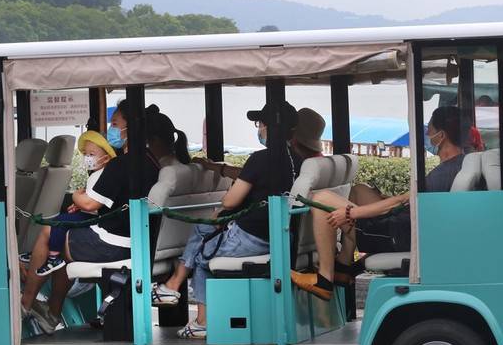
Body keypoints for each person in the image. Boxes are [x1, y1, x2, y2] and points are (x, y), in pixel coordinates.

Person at [19, 103, 190, 331]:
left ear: (132, 128)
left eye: (115, 123)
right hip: (137, 243)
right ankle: (51, 311)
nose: (110, 128)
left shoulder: (123, 165)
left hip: (112, 244)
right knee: (62, 242)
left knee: (49, 233)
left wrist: (77, 197)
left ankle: (26, 305)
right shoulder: (149, 162)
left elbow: (90, 202)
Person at [152, 107, 325, 314]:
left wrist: (220, 209)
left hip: (252, 238)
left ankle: (185, 301)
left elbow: (231, 201)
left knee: (202, 248)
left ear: (270, 128)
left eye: (260, 125)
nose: (259, 129)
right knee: (205, 237)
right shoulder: (298, 161)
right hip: (282, 238)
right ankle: (181, 296)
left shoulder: (262, 158)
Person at [291, 105, 467, 301]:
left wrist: (352, 214)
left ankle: (324, 279)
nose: (427, 134)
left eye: (430, 130)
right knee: (359, 191)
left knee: (321, 199)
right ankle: (343, 266)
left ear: (441, 136)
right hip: (406, 226)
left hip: (397, 233)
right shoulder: (458, 164)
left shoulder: (442, 174)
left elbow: (400, 201)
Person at [23, 129, 117, 278]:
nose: (87, 158)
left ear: (105, 159)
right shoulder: (97, 174)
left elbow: (92, 204)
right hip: (88, 213)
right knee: (61, 218)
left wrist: (77, 199)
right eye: (85, 154)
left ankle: (53, 256)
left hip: (94, 219)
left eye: (92, 155)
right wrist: (79, 204)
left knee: (60, 222)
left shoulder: (105, 175)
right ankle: (40, 254)